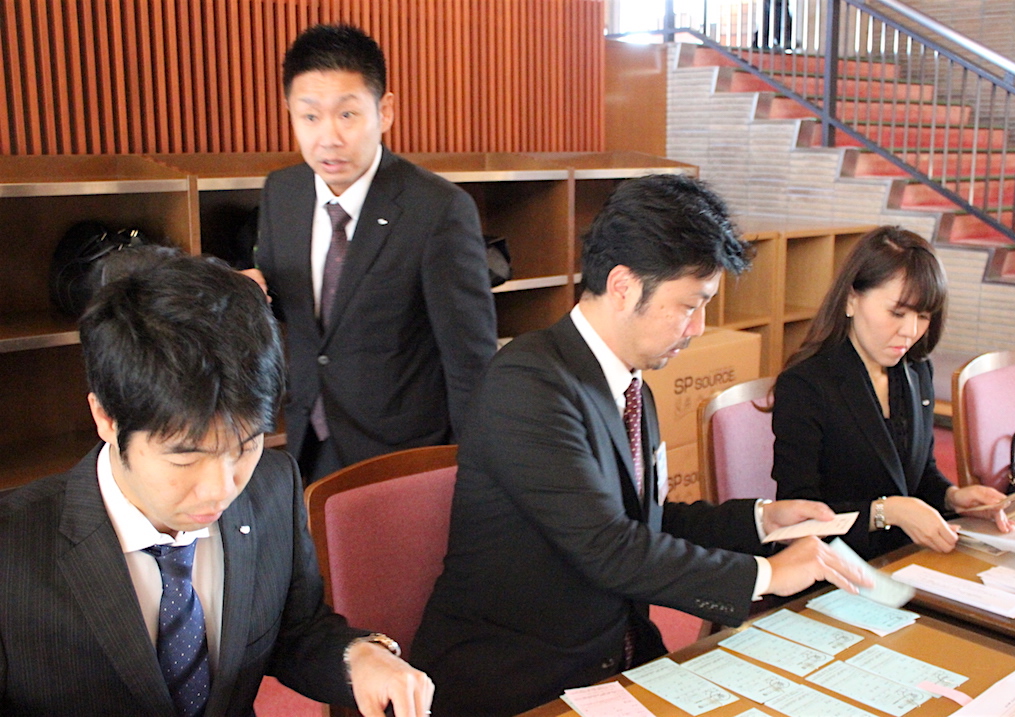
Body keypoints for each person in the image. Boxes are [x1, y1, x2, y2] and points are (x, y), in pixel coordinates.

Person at [409, 174, 870, 716]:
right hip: (522, 679)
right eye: (690, 305)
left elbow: (644, 521)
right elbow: (609, 547)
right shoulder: (528, 384)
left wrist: (763, 521)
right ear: (624, 286)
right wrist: (770, 574)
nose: (697, 328)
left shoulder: (632, 386)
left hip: (615, 659)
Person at [0, 253, 433, 717]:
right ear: (106, 417)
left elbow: (295, 631)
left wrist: (358, 658)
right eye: (186, 456)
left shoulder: (272, 487)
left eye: (245, 446)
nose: (221, 489)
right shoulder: (13, 548)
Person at [241, 24, 497, 483]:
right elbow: (300, 310)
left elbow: (469, 361)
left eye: (347, 114)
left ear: (385, 111)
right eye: (310, 116)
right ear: (290, 113)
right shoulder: (283, 192)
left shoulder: (437, 210)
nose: (329, 137)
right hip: (307, 438)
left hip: (401, 453)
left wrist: (474, 477)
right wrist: (254, 292)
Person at [772, 226, 1015, 560]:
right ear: (851, 299)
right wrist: (886, 512)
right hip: (837, 567)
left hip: (907, 557)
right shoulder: (805, 385)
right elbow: (798, 517)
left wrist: (951, 497)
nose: (910, 331)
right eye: (897, 313)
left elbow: (918, 474)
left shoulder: (916, 371)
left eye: (923, 316)